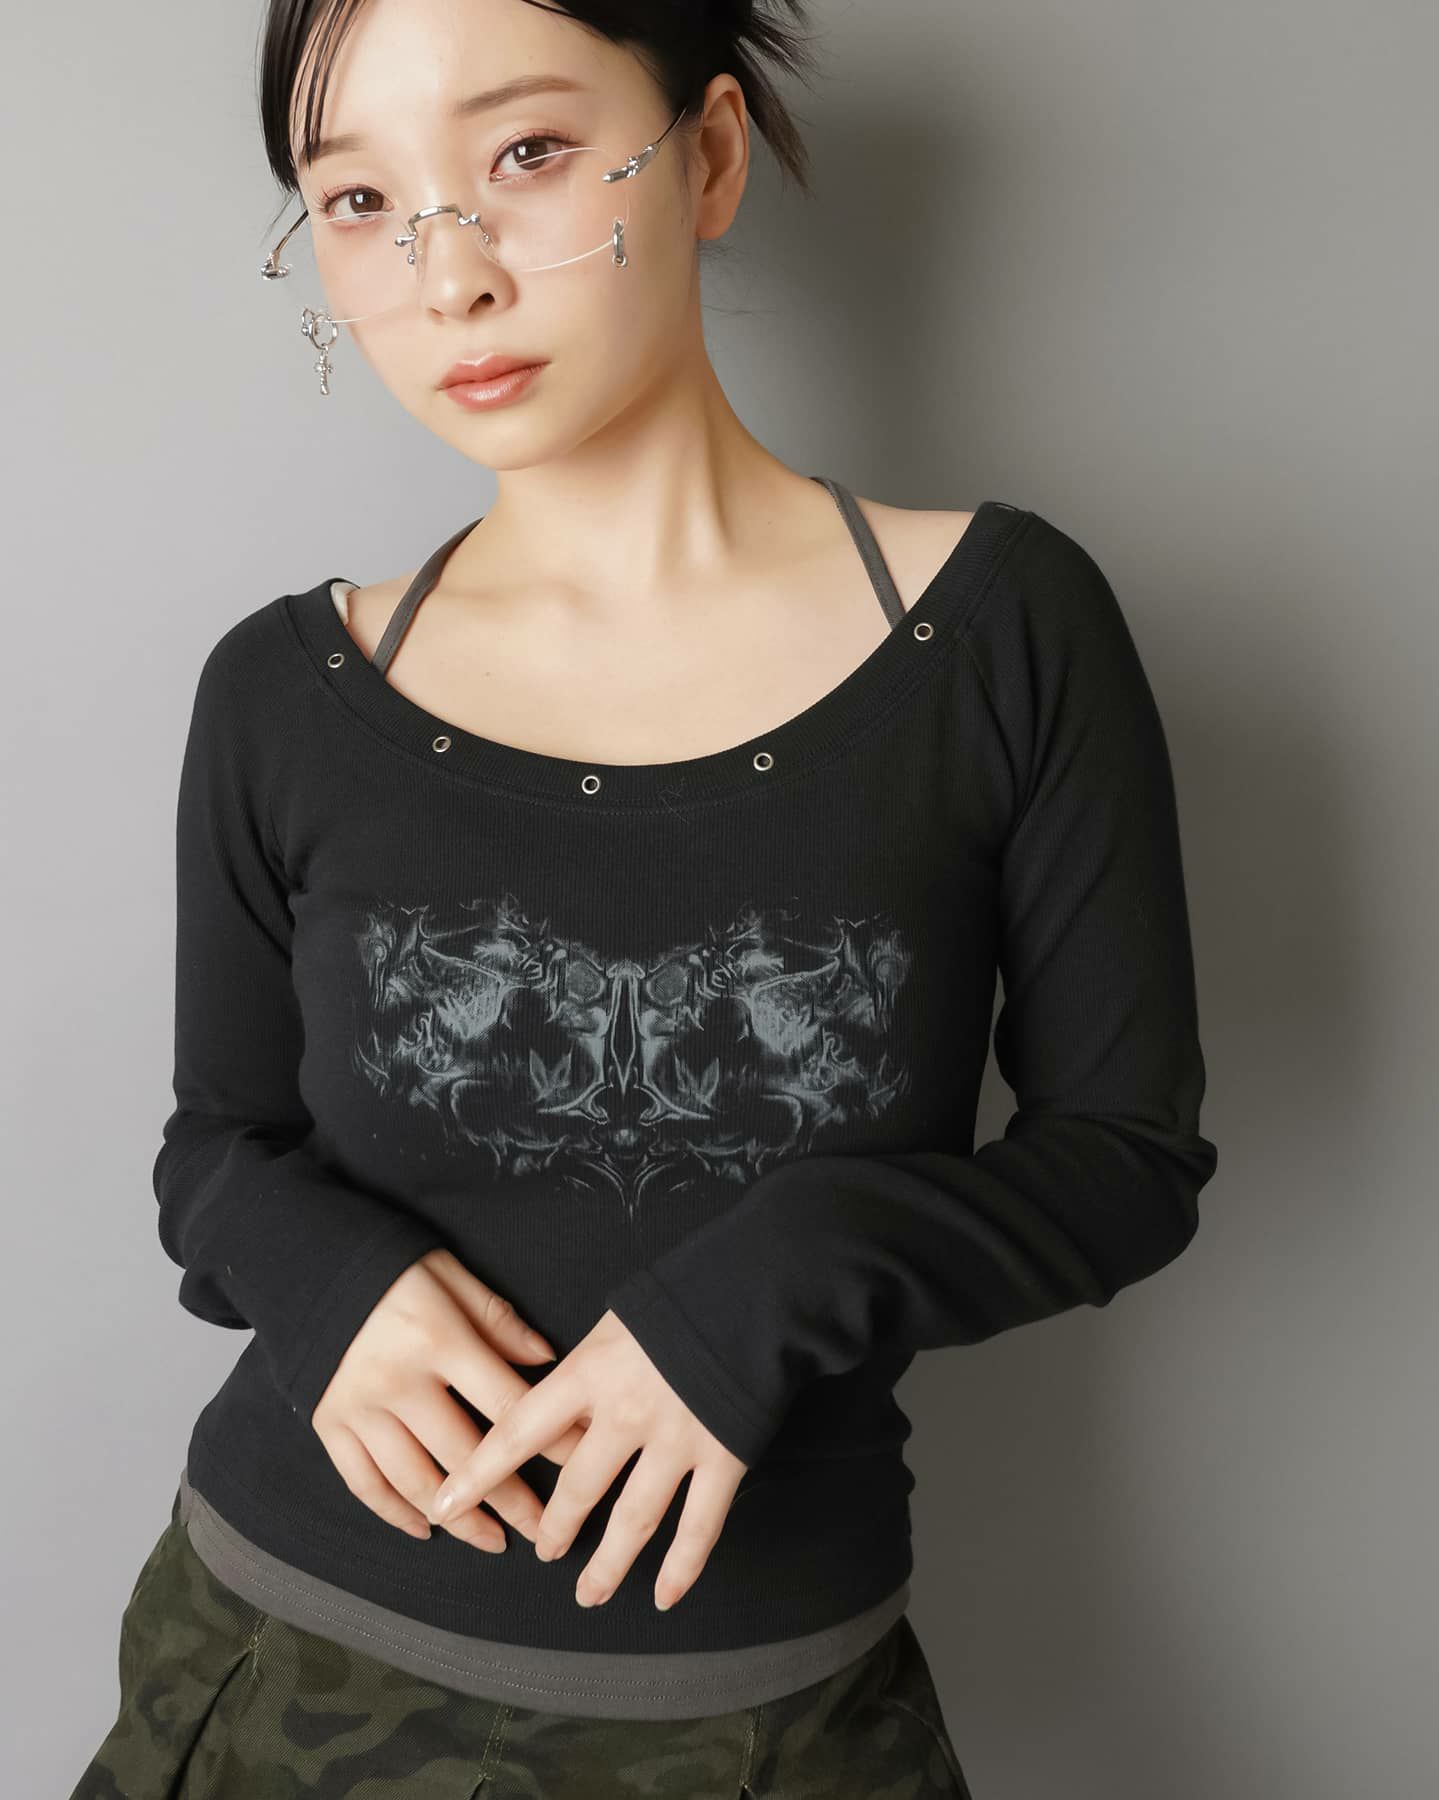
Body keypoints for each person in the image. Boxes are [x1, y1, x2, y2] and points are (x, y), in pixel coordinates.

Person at [71, 0, 1219, 1794]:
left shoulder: (1003, 632)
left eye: (527, 154)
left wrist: (788, 1270)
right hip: (274, 1667)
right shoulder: (285, 692)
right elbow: (213, 1153)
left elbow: (1129, 1159)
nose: (448, 276)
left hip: (772, 1726)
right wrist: (326, 1281)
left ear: (712, 155)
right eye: (359, 201)